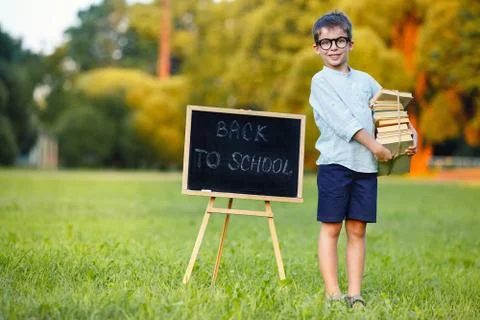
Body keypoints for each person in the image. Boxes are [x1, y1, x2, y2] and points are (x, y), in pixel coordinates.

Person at [309, 11, 417, 308]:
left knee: (357, 229)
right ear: (316, 48)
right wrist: (376, 147)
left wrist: (409, 135)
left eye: (340, 40)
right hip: (335, 164)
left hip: (365, 168)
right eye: (326, 42)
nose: (333, 47)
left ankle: (355, 294)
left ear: (350, 43)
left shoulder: (366, 80)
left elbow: (390, 110)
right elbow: (344, 123)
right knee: (331, 227)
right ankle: (333, 293)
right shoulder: (320, 82)